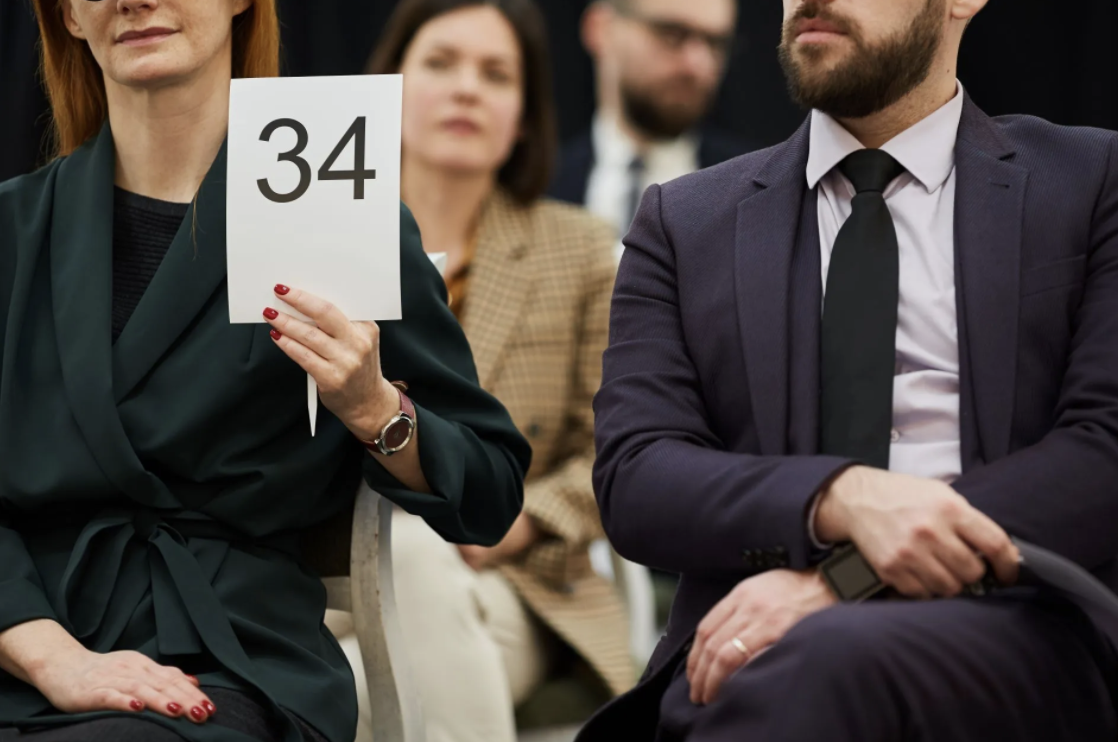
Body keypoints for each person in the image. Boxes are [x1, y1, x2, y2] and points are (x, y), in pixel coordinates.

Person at [579, 0, 1118, 739]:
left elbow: (1104, 449)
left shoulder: (1092, 181)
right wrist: (839, 498)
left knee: (819, 663)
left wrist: (843, 582)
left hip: (1025, 627)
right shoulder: (683, 220)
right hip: (745, 644)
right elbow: (636, 477)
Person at [0, 1, 531, 741]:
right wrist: (52, 657)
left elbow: (491, 489)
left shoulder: (334, 206)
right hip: (28, 654)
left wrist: (375, 408)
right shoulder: (15, 230)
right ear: (68, 16)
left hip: (231, 661)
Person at [326, 2, 633, 742]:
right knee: (363, 674)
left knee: (404, 582)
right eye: (440, 63)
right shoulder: (319, 235)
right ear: (388, 84)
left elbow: (621, 449)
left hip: (510, 580)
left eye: (496, 74)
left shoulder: (584, 251)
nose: (467, 88)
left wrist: (523, 523)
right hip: (323, 584)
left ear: (524, 115)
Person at [549, 0, 754, 243]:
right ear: (600, 28)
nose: (697, 65)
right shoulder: (538, 186)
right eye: (672, 34)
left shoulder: (755, 194)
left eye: (715, 44)